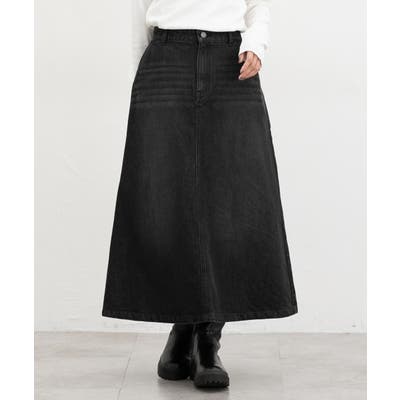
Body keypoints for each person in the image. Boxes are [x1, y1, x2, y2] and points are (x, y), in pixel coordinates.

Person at [102, 0, 297, 389]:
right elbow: (137, 13)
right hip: (165, 61)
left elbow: (258, 6)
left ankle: (207, 339)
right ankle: (183, 328)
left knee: (234, 199)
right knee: (164, 198)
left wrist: (256, 44)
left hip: (232, 63)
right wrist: (143, 79)